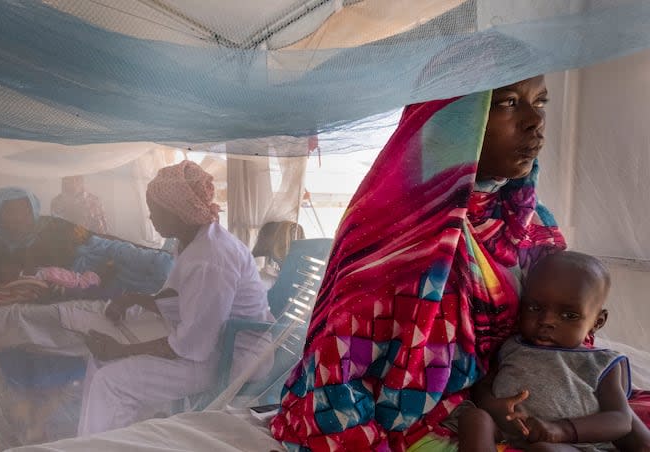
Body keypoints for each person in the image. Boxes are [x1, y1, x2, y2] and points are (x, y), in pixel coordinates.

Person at [270, 76, 650, 451]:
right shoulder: (392, 228)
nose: (535, 120)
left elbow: (568, 341)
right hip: (433, 417)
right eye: (507, 103)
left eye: (542, 102)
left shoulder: (532, 222)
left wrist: (550, 417)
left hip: (520, 409)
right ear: (453, 116)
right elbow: (340, 364)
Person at [76, 160, 274, 435]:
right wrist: (135, 298)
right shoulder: (196, 240)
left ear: (178, 212)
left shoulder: (210, 259)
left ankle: (105, 442)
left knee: (111, 382)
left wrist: (121, 351)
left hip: (234, 358)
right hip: (215, 343)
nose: (151, 218)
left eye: (155, 211)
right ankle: (102, 438)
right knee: (100, 360)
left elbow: (192, 344)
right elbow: (180, 298)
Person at [453, 251, 634, 451]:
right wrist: (492, 405)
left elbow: (620, 420)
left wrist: (561, 430)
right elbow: (483, 384)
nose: (546, 321)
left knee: (545, 449)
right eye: (534, 308)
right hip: (508, 430)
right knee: (473, 418)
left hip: (572, 445)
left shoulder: (602, 362)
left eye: (569, 315)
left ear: (597, 322)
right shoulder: (512, 346)